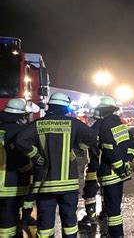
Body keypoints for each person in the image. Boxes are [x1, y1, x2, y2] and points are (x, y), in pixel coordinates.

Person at [15, 93, 97, 237]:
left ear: (50, 106)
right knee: (70, 224)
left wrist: (36, 156)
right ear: (65, 107)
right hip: (69, 185)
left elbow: (20, 141)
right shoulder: (73, 123)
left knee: (45, 226)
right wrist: (77, 150)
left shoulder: (38, 124)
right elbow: (92, 136)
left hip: (45, 185)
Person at [94, 96, 134, 237]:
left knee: (113, 211)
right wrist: (127, 161)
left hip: (110, 173)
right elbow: (131, 145)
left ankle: (116, 235)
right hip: (121, 173)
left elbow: (109, 150)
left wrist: (119, 168)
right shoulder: (120, 125)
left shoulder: (104, 126)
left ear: (101, 111)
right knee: (115, 206)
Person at [0, 99, 33, 237]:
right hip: (10, 183)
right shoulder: (20, 132)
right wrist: (29, 169)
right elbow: (20, 159)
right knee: (8, 223)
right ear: (22, 115)